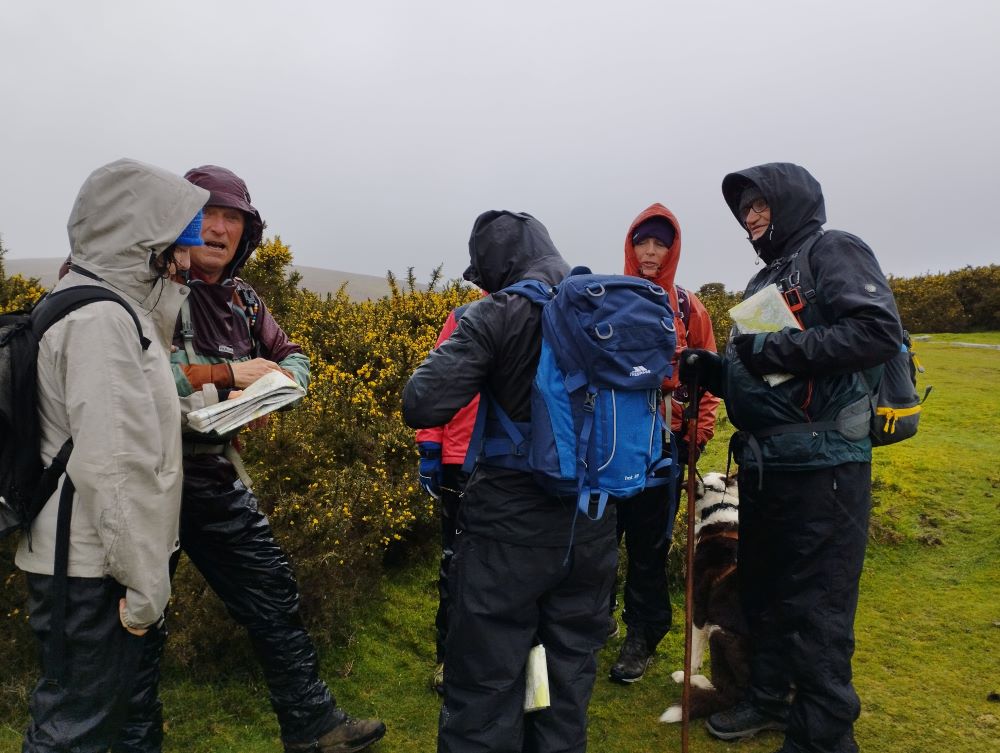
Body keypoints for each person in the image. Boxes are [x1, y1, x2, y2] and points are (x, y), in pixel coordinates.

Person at [115, 165, 385, 753]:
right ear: (178, 223)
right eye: (205, 215)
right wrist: (227, 374)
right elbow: (134, 375)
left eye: (230, 218)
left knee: (273, 593)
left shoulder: (243, 299)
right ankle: (135, 742)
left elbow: (293, 355)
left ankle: (313, 726)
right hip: (144, 482)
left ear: (246, 231)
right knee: (141, 619)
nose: (216, 229)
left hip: (212, 477)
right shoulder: (147, 290)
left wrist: (279, 383)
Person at [680, 162, 903, 753]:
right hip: (768, 468)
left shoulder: (834, 250)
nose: (750, 219)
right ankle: (768, 697)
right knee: (767, 592)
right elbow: (770, 380)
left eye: (760, 206)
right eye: (744, 211)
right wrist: (717, 371)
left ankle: (823, 736)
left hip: (825, 468)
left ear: (792, 202)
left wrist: (771, 346)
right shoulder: (768, 278)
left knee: (817, 606)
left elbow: (876, 331)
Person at [402, 211, 617, 753]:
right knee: (566, 680)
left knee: (484, 681)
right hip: (592, 523)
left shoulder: (499, 312)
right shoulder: (606, 306)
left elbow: (421, 401)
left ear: (497, 262)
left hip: (507, 529)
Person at [16, 158, 207, 752]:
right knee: (77, 731)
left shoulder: (98, 305)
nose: (187, 257)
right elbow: (115, 470)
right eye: (178, 241)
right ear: (144, 239)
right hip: (92, 569)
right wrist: (146, 585)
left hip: (88, 559)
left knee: (104, 720)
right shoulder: (101, 320)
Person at [608, 204, 720, 683]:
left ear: (673, 250)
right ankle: (595, 621)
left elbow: (710, 378)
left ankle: (644, 635)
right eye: (642, 242)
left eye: (660, 243)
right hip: (611, 446)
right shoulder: (607, 299)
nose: (650, 252)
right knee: (600, 542)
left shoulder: (688, 308)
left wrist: (696, 435)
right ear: (630, 246)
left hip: (664, 449)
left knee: (649, 547)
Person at [414, 305, 481, 696]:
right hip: (461, 459)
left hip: (518, 464)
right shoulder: (464, 317)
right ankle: (449, 657)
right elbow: (436, 384)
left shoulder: (547, 311)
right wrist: (430, 446)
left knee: (515, 569)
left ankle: (504, 659)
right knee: (455, 563)